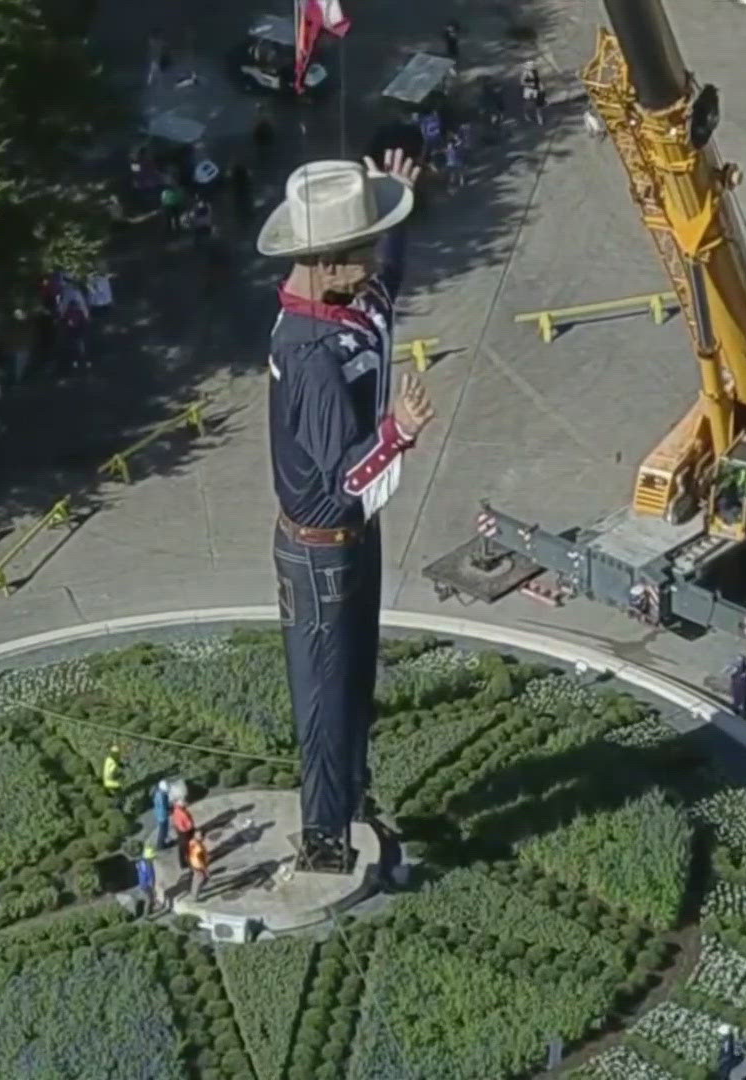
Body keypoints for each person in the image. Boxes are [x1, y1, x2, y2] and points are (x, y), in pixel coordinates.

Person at [258, 150, 436, 871]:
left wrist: (398, 222)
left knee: (357, 676)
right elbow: (337, 482)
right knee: (327, 693)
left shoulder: (342, 310)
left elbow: (385, 287)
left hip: (352, 534)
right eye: (359, 249)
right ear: (326, 264)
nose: (371, 264)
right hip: (320, 544)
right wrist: (398, 433)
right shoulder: (313, 359)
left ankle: (353, 796)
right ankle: (325, 834)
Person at [185, 829, 211, 901]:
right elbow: (201, 860)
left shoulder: (192, 841)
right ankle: (195, 896)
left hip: (193, 864)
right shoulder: (199, 848)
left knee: (196, 879)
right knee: (202, 879)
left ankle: (194, 891)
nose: (202, 838)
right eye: (201, 836)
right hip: (199, 866)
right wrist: (205, 869)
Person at [169, 798, 195, 868]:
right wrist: (189, 828)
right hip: (185, 832)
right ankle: (190, 862)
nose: (185, 803)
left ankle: (184, 863)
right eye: (183, 802)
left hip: (183, 832)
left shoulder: (178, 809)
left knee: (182, 848)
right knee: (186, 847)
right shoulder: (179, 812)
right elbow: (181, 826)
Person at [133, 846, 157, 916]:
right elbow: (151, 877)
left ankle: (150, 910)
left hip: (142, 883)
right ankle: (146, 914)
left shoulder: (141, 861)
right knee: (149, 899)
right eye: (152, 858)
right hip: (147, 885)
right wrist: (153, 888)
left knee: (150, 897)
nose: (153, 859)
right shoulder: (149, 865)